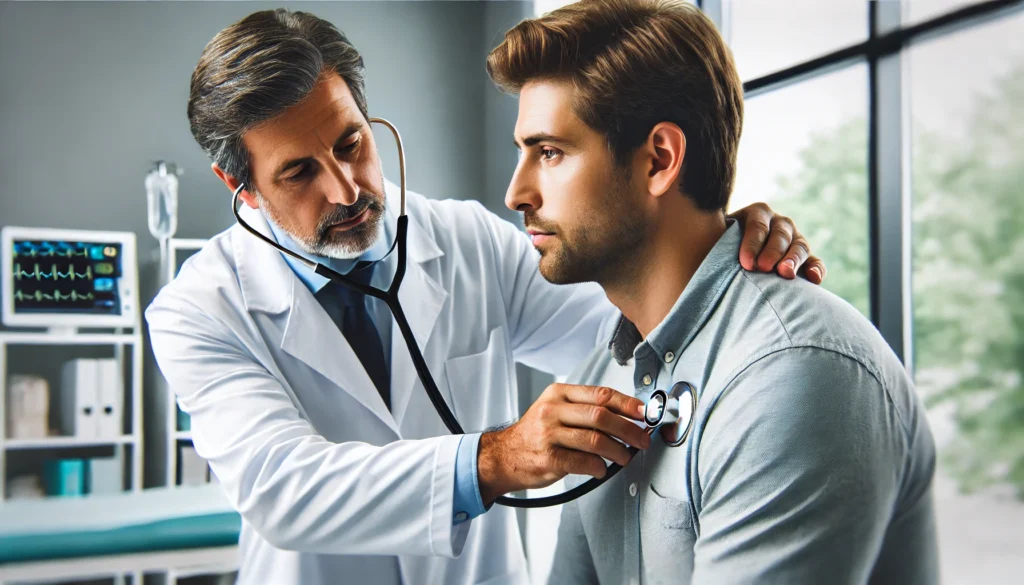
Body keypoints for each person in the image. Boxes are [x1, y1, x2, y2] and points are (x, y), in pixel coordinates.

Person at [146, 7, 828, 585]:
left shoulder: (466, 242)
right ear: (242, 188)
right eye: (298, 173)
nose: (346, 190)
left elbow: (638, 324)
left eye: (352, 143)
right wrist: (498, 458)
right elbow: (282, 486)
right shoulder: (198, 310)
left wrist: (716, 243)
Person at [485, 1, 939, 584]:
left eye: (550, 153)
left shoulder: (793, 372)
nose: (516, 193)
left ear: (660, 160)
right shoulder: (602, 374)